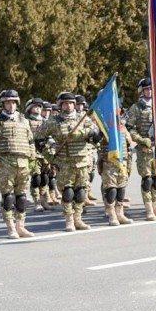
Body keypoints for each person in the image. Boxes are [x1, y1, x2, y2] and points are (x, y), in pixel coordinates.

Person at [36, 92, 101, 232]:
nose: (69, 106)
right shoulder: (53, 122)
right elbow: (39, 139)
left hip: (82, 161)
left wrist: (87, 134)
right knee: (68, 192)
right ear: (60, 105)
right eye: (65, 103)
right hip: (64, 163)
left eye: (71, 103)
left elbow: (96, 136)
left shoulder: (83, 118)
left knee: (80, 192)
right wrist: (50, 156)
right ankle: (69, 220)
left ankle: (78, 218)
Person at [0, 89, 36, 239]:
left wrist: (32, 159)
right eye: (7, 102)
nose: (11, 105)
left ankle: (20, 226)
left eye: (13, 102)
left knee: (21, 197)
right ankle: (11, 227)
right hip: (6, 162)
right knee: (8, 198)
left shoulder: (24, 120)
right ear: (3, 104)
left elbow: (31, 141)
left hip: (23, 162)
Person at [124, 78, 156, 221]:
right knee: (147, 180)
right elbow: (129, 127)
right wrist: (140, 140)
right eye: (146, 90)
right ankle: (149, 209)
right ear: (141, 91)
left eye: (150, 89)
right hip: (144, 150)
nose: (149, 92)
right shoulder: (136, 108)